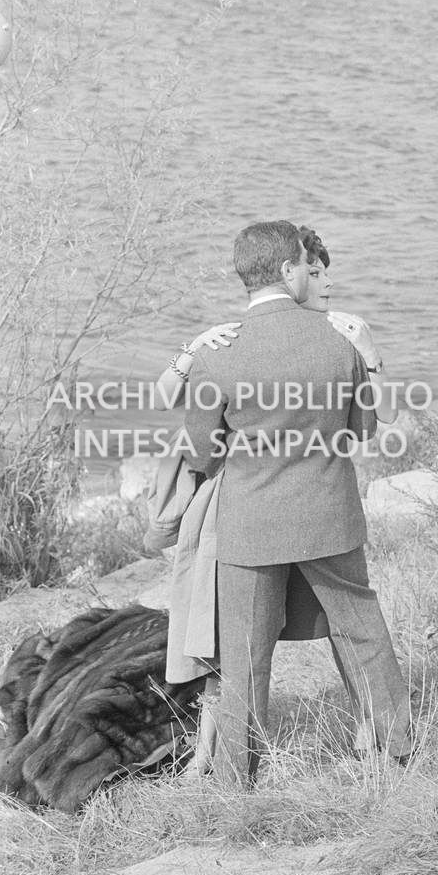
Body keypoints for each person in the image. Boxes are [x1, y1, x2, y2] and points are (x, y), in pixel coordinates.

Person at [182, 220, 413, 784]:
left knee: (245, 654)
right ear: (288, 270)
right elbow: (361, 431)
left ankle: (237, 777)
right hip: (329, 515)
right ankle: (397, 750)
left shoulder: (219, 352)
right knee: (361, 628)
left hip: (252, 524)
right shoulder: (339, 340)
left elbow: (199, 452)